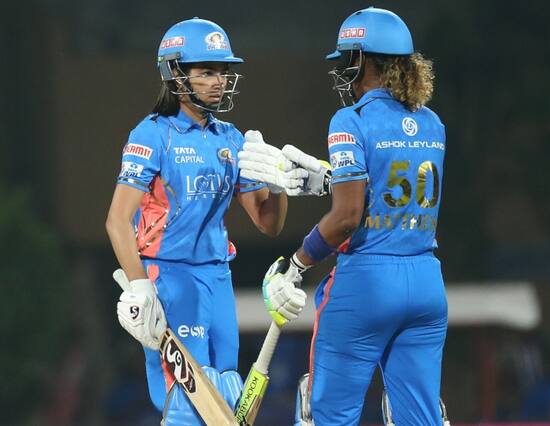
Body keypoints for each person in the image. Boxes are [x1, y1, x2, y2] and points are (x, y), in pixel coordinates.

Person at [240, 7, 448, 425]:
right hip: (427, 281)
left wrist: (298, 263)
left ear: (363, 59)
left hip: (367, 283)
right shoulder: (431, 123)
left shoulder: (349, 120)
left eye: (348, 59)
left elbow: (348, 216)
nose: (343, 70)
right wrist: (330, 177)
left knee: (326, 414)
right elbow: (388, 186)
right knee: (420, 419)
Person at [105, 17, 309, 425]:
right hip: (170, 277)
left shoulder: (231, 138)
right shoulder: (152, 135)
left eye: (222, 72)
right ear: (175, 74)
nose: (219, 81)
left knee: (226, 395)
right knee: (187, 402)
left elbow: (268, 223)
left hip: (217, 276)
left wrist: (279, 185)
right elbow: (116, 220)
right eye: (207, 72)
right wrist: (141, 287)